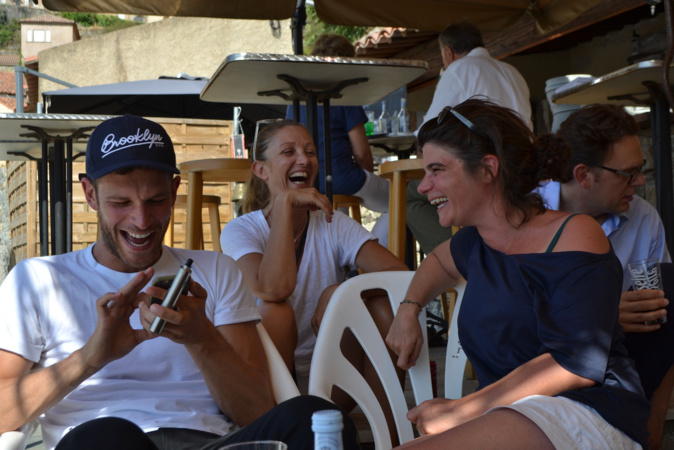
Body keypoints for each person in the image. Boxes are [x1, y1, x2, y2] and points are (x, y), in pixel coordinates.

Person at [0, 115, 359, 450]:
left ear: (174, 192)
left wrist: (201, 338)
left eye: (155, 201)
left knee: (317, 418)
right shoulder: (37, 280)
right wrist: (90, 358)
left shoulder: (215, 270)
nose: (141, 220)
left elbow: (256, 411)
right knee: (105, 436)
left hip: (208, 443)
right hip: (105, 442)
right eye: (121, 202)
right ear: (90, 194)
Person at [386, 98, 650, 448]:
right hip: (508, 414)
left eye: (437, 170)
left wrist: (463, 409)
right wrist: (409, 308)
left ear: (487, 169)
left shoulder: (574, 234)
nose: (423, 186)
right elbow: (437, 262)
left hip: (588, 413)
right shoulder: (476, 242)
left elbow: (573, 364)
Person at [221, 119, 407, 379]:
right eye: (289, 152)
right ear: (261, 169)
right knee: (277, 312)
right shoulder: (241, 230)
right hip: (269, 376)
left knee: (383, 305)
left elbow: (400, 275)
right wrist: (284, 205)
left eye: (310, 152)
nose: (304, 160)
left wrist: (342, 290)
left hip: (331, 369)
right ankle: (286, 406)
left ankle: (385, 407)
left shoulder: (332, 222)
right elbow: (273, 290)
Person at [537, 103, 673, 449]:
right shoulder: (527, 212)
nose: (640, 181)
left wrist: (655, 420)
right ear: (583, 175)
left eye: (640, 168)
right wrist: (604, 317)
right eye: (628, 173)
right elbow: (513, 314)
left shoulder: (642, 217)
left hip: (620, 366)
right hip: (543, 361)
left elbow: (664, 319)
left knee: (670, 289)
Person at [407, 20, 532, 256]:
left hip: (484, 169)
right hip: (522, 169)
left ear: (448, 52)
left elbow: (429, 132)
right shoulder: (512, 72)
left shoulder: (459, 68)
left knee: (408, 195)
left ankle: (458, 256)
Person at [286, 33, 390, 247]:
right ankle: (376, 253)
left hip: (306, 181)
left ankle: (348, 258)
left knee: (335, 224)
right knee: (402, 200)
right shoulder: (343, 94)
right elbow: (361, 152)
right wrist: (368, 177)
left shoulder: (296, 98)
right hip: (343, 177)